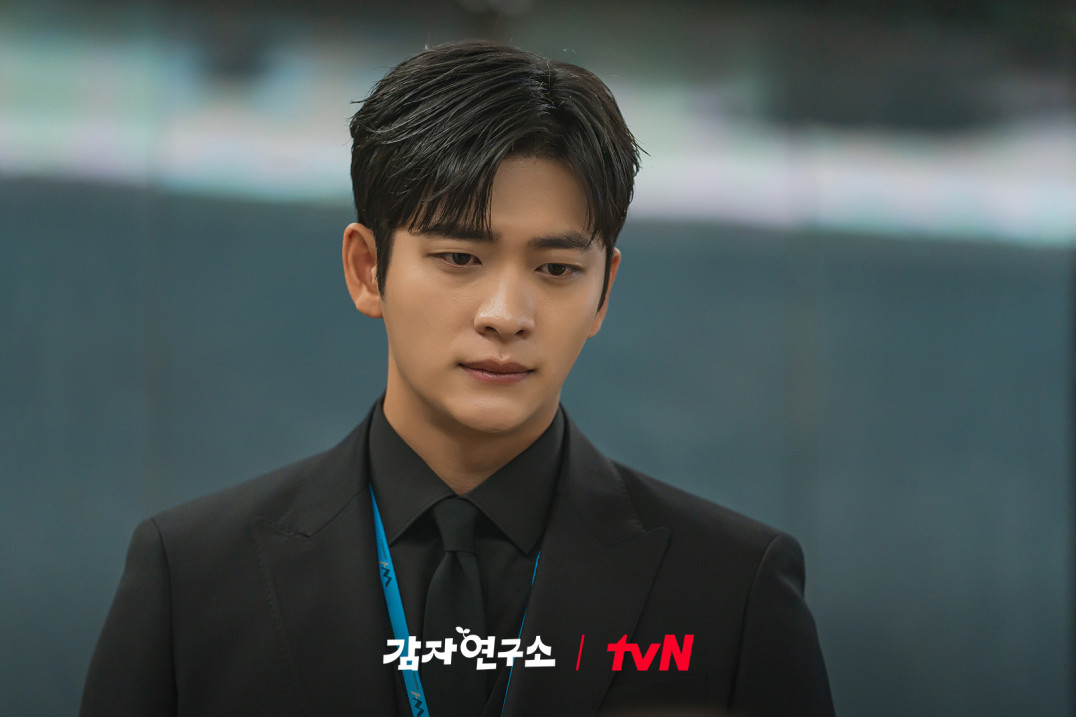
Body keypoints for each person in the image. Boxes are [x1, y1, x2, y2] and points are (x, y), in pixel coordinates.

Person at [81, 41, 834, 717]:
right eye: (459, 258)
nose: (506, 314)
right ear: (367, 269)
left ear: (603, 291)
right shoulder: (195, 577)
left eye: (556, 269)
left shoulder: (730, 590)